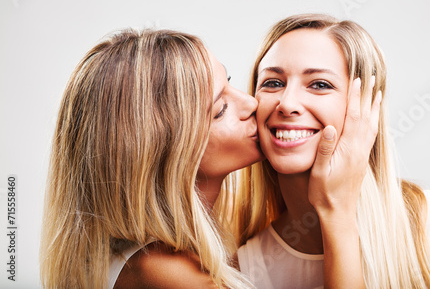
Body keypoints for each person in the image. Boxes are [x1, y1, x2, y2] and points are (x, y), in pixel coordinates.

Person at [234, 14, 430, 288]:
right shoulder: (243, 269)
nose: (287, 103)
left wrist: (336, 212)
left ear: (367, 107)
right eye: (273, 82)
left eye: (320, 85)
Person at [39, 29, 264, 288]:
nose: (250, 103)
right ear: (162, 154)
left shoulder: (135, 258)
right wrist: (324, 212)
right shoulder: (165, 274)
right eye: (220, 110)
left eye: (230, 82)